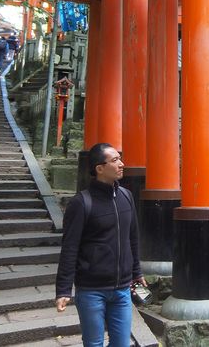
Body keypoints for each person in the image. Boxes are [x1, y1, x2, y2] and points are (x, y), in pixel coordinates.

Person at [55, 143, 147, 347]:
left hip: (122, 288)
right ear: (99, 168)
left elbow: (132, 237)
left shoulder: (126, 196)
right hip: (91, 290)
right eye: (115, 160)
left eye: (120, 159)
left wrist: (137, 272)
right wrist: (63, 290)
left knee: (122, 344)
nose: (121, 164)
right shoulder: (82, 203)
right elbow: (70, 247)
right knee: (94, 344)